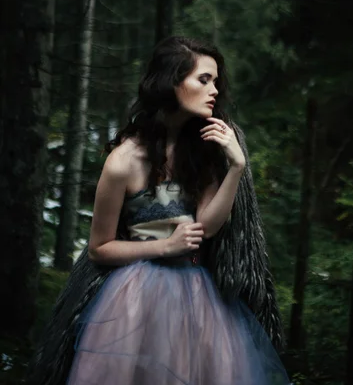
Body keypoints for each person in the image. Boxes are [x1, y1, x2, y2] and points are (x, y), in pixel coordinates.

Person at [27, 35, 290, 385]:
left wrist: (236, 168)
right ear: (171, 82)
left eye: (216, 81)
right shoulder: (124, 160)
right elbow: (99, 248)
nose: (215, 90)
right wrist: (164, 246)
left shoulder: (204, 150)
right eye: (204, 79)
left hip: (199, 294)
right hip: (133, 297)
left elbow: (207, 227)